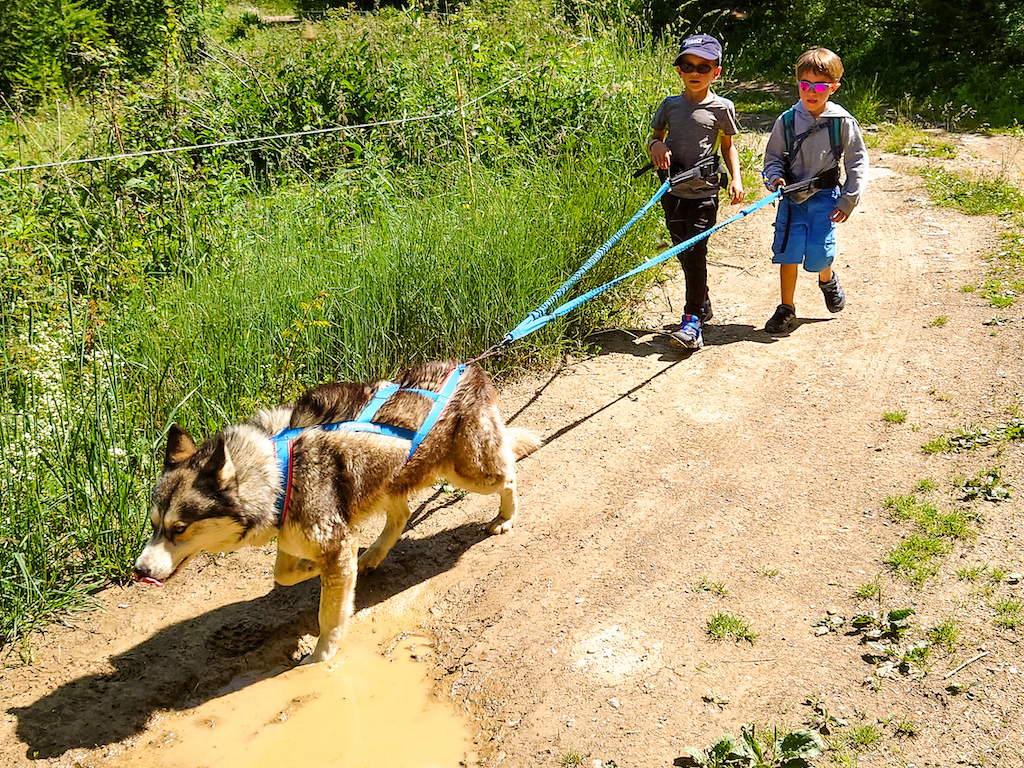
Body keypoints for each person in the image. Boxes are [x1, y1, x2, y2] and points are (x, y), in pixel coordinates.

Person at [761, 47, 869, 335]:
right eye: (805, 85)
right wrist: (774, 179)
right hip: (792, 199)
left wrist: (848, 200)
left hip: (824, 199)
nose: (811, 92)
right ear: (797, 84)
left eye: (819, 86)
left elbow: (856, 160)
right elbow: (772, 158)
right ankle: (786, 308)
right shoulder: (786, 121)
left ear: (833, 88)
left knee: (820, 254)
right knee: (787, 252)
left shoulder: (841, 122)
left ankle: (827, 278)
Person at [647, 33, 744, 349]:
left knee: (696, 251)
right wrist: (657, 146)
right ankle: (701, 298)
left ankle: (691, 321)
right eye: (688, 65)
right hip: (671, 190)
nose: (695, 72)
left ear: (716, 72)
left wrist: (736, 178)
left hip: (704, 191)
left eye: (704, 67)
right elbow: (654, 138)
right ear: (679, 69)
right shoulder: (670, 106)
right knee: (682, 249)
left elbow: (728, 146)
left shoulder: (722, 108)